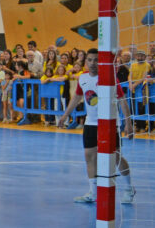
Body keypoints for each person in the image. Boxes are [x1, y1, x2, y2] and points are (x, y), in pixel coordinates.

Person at [58, 48, 137, 204]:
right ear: (86, 62)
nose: (93, 63)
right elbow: (77, 97)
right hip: (91, 123)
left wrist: (128, 124)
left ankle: (129, 188)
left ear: (101, 62)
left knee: (116, 158)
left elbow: (122, 100)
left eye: (96, 60)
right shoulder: (83, 77)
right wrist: (65, 115)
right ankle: (93, 193)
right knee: (89, 157)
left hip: (109, 124)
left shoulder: (109, 78)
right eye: (90, 60)